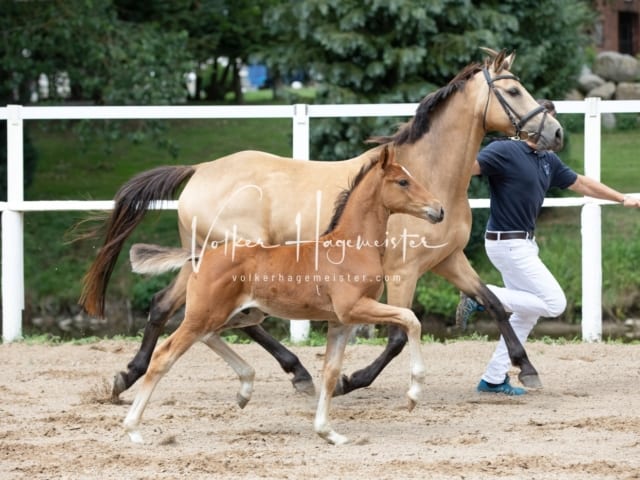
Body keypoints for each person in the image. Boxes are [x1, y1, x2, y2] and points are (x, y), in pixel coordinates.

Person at [457, 99, 640, 396]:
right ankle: (481, 295)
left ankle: (492, 379)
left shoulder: (547, 160)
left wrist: (621, 198)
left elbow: (581, 183)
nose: (554, 129)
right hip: (507, 244)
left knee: (526, 313)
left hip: (524, 244)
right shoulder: (504, 150)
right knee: (555, 304)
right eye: (547, 122)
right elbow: (466, 168)